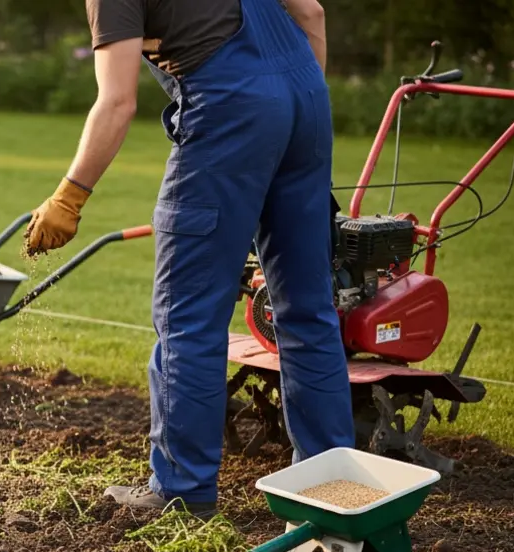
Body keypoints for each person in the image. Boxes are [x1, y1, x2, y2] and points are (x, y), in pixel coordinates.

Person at [24, 0, 355, 516]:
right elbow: (311, 12)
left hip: (231, 108)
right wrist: (290, 119)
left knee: (188, 315)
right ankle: (332, 488)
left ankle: (180, 490)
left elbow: (117, 102)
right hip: (306, 99)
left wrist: (70, 195)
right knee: (307, 307)